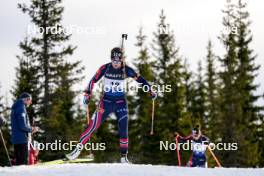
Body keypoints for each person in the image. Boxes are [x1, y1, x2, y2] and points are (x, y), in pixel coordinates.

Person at [66, 47, 157, 163]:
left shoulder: (127, 70)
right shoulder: (105, 68)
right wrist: (87, 94)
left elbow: (141, 80)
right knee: (92, 125)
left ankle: (124, 157)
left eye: (118, 61)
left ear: (122, 60)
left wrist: (150, 90)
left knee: (123, 130)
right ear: (111, 59)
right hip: (106, 102)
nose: (115, 63)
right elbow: (93, 80)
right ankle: (76, 151)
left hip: (120, 103)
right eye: (113, 60)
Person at [11, 92, 39, 165]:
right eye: (30, 100)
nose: (31, 102)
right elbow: (22, 126)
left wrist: (29, 131)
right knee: (23, 165)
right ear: (26, 99)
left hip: (17, 139)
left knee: (19, 164)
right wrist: (32, 129)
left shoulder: (17, 106)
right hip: (22, 140)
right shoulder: (21, 108)